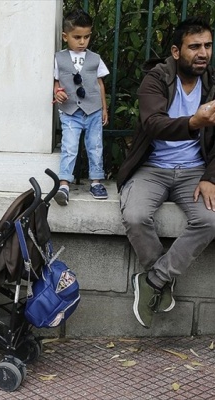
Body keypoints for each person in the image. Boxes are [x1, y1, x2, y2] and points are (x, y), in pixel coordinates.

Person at [117, 16, 215, 329]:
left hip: (194, 170)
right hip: (152, 168)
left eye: (208, 46)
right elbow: (153, 124)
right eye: (194, 46)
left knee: (211, 219)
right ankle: (161, 282)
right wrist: (193, 123)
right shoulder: (156, 79)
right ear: (175, 51)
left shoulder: (213, 83)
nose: (203, 53)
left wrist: (210, 176)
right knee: (134, 215)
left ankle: (154, 281)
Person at [53, 9, 110, 205]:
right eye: (77, 37)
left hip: (93, 110)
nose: (82, 41)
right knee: (69, 146)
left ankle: (96, 182)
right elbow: (56, 81)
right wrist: (57, 92)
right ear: (65, 36)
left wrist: (104, 108)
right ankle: (64, 184)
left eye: (86, 37)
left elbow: (100, 84)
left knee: (95, 146)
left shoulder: (95, 58)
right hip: (70, 112)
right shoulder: (59, 58)